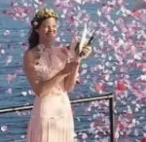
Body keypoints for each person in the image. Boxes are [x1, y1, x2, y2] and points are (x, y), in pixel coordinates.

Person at [23, 8, 94, 142]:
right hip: (45, 112)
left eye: (54, 26)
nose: (51, 29)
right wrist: (63, 72)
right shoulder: (30, 55)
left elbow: (67, 86)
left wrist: (77, 59)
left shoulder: (62, 52)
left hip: (63, 110)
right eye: (46, 26)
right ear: (37, 29)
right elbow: (40, 91)